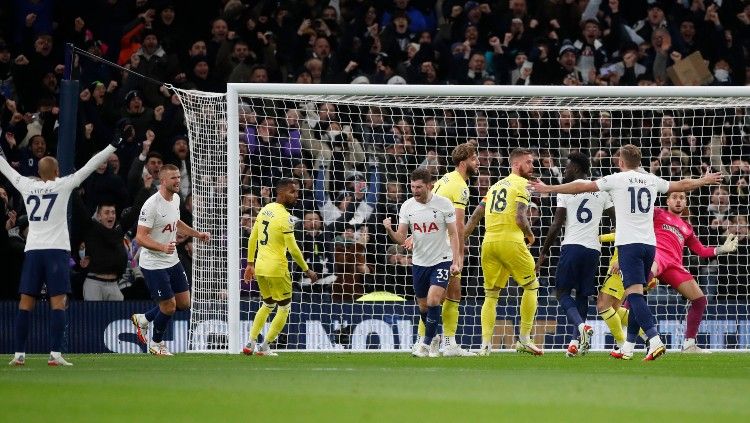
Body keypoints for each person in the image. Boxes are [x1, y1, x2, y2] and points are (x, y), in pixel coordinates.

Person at [529, 144, 723, 361]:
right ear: (638, 161)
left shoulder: (615, 179)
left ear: (621, 162)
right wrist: (703, 181)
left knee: (634, 295)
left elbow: (579, 188)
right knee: (637, 294)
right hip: (650, 246)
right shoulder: (650, 179)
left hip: (628, 245)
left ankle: (654, 339)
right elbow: (681, 184)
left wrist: (549, 189)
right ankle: (629, 346)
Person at [2, 138, 119, 366]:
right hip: (56, 251)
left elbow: (5, 168)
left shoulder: (26, 185)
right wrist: (113, 145)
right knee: (58, 303)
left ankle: (18, 355)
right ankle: (55, 354)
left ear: (38, 171)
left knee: (25, 303)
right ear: (56, 171)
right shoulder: (62, 184)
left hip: (33, 250)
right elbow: (90, 165)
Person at [465, 148, 542, 356]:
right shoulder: (523, 185)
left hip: (488, 243)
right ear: (517, 165)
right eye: (528, 162)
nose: (532, 166)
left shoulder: (495, 186)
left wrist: (459, 240)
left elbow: (474, 217)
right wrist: (530, 235)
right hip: (511, 241)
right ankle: (525, 338)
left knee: (491, 296)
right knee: (532, 286)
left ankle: (485, 346)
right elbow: (519, 217)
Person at [536, 152, 615, 357]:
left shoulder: (566, 191)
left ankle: (581, 326)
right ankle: (574, 342)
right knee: (583, 295)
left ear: (578, 168)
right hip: (593, 250)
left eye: (568, 166)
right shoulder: (601, 191)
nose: (565, 169)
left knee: (562, 293)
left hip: (572, 247)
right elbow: (616, 219)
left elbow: (556, 224)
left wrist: (543, 252)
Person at [130, 164, 210, 356]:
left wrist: (196, 234)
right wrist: (162, 247)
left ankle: (144, 319)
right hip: (153, 263)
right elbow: (140, 237)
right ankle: (156, 344)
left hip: (171, 260)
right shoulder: (151, 205)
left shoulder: (175, 199)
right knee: (169, 306)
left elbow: (176, 222)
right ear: (163, 181)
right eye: (173, 178)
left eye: (179, 177)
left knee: (184, 303)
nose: (178, 181)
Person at [383, 168, 462, 358]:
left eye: (419, 187)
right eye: (412, 187)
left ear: (429, 186)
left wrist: (455, 260)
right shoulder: (407, 207)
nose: (415, 191)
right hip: (419, 263)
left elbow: (453, 234)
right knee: (424, 307)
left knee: (435, 300)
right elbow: (401, 238)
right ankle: (433, 337)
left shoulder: (444, 205)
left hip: (441, 260)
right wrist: (389, 230)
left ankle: (425, 346)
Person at [410, 141, 478, 356]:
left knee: (432, 298)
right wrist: (459, 256)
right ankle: (448, 344)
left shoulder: (445, 179)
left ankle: (426, 340)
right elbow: (458, 225)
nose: (478, 162)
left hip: (430, 244)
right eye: (474, 158)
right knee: (450, 292)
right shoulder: (460, 186)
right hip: (444, 248)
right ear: (463, 162)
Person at [650, 192, 738, 352]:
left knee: (699, 300)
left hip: (674, 265)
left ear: (685, 203)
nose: (678, 201)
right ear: (667, 201)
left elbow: (702, 251)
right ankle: (625, 328)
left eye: (682, 198)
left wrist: (721, 249)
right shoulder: (657, 213)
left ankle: (689, 344)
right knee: (642, 283)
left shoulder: (687, 228)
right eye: (675, 197)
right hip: (657, 255)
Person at [243, 178, 318, 356]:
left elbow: (252, 238)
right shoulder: (286, 217)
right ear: (281, 193)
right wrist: (307, 269)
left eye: (297, 191)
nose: (296, 195)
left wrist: (250, 264)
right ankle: (265, 346)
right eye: (292, 192)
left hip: (260, 267)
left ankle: (250, 342)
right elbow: (292, 248)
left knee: (268, 303)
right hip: (277, 269)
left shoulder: (265, 209)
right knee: (284, 307)